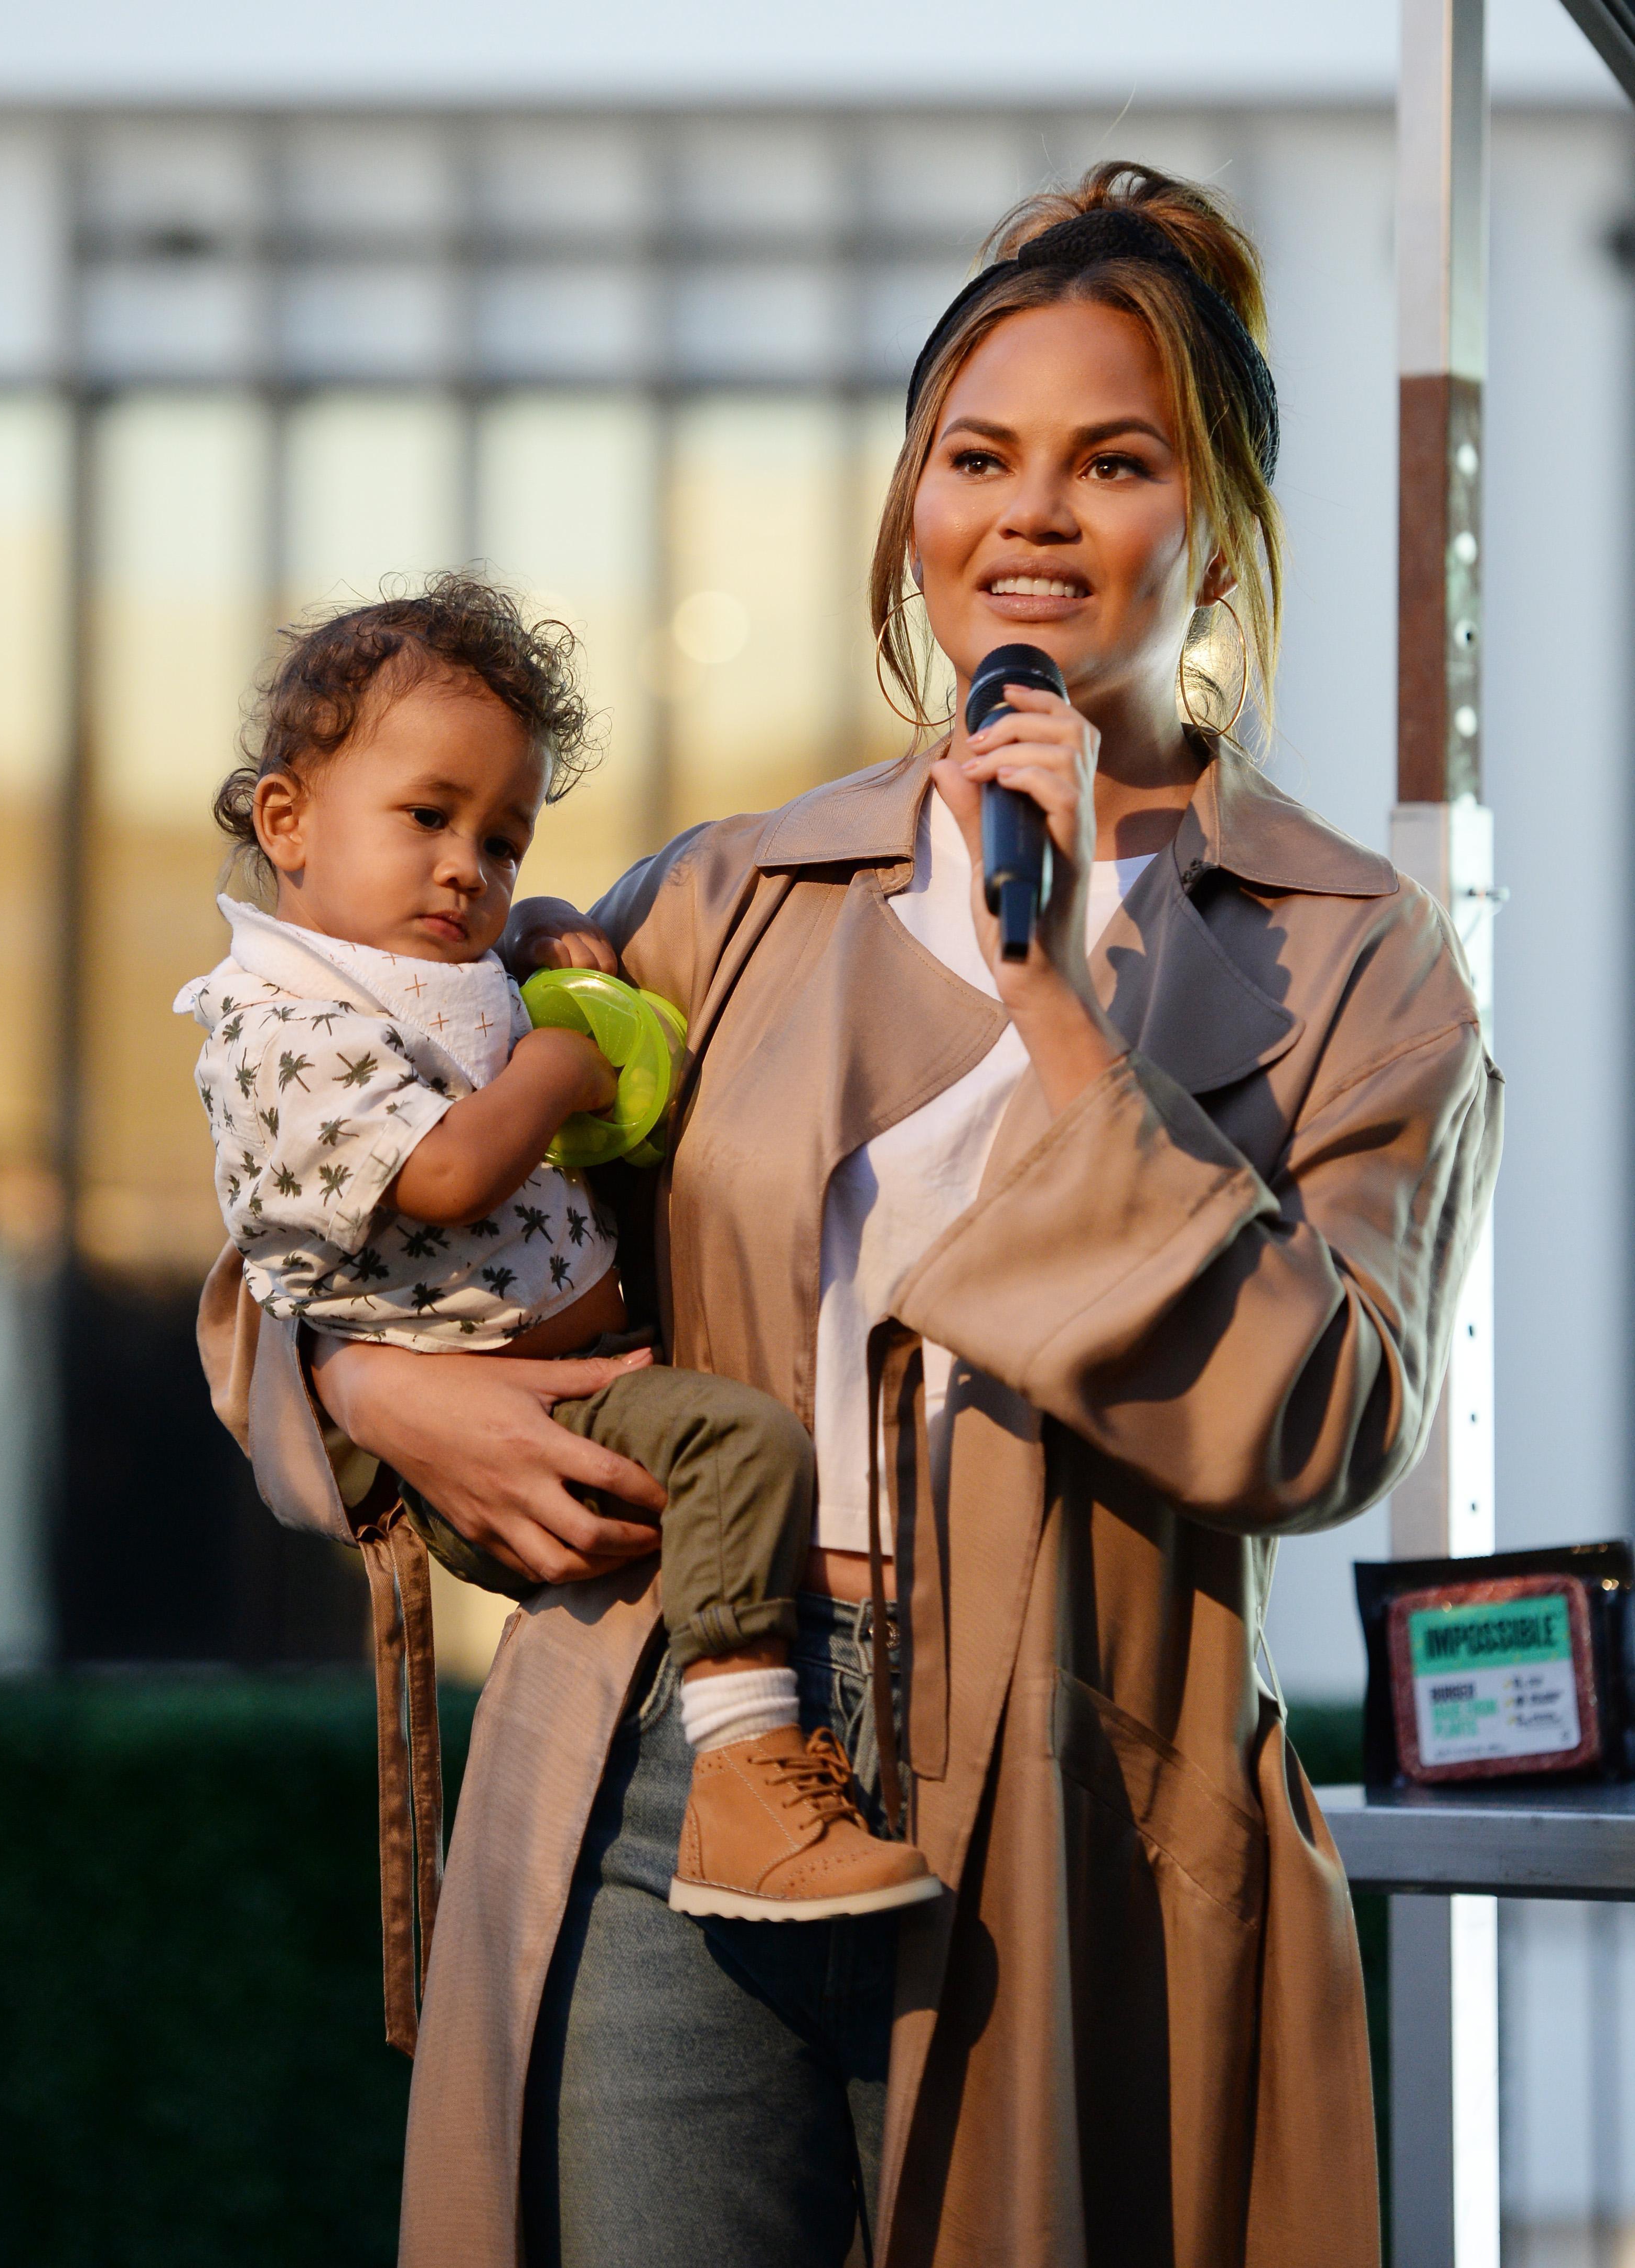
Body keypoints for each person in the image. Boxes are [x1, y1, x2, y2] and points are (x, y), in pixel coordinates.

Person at [196, 163, 1501, 2268]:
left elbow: (1329, 1416)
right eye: (979, 456)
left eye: (1115, 461)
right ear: (915, 506)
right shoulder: (726, 899)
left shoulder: (1358, 959)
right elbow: (310, 1212)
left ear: (1222, 525)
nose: (1035, 514)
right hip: (659, 1753)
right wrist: (372, 1390)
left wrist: (1058, 1001)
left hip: (1075, 1804)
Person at [177, 575, 936, 1938]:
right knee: (743, 1448)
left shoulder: (420, 961)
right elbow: (454, 1165)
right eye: (428, 817)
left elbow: (476, 992)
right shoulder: (283, 1017)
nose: (468, 866)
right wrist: (560, 1061)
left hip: (551, 1371)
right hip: (505, 1411)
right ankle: (752, 1781)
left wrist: (533, 943)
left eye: (505, 839)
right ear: (287, 821)